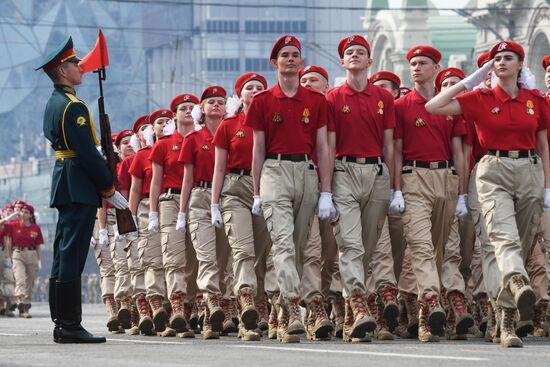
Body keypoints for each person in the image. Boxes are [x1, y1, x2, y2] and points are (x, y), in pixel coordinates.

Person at [425, 39, 550, 348]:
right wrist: (471, 80)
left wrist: (547, 186)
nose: (501, 63)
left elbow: (544, 144)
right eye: (497, 59)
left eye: (508, 58)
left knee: (519, 244)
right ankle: (517, 287)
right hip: (493, 170)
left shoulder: (535, 100)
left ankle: (505, 312)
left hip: (529, 170)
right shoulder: (480, 97)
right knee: (503, 238)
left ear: (520, 65)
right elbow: (434, 106)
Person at [245, 35, 335, 343]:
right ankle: (294, 308)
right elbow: (257, 150)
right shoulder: (261, 102)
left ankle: (280, 307)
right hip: (274, 170)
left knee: (297, 247)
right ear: (275, 63)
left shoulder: (317, 101)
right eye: (285, 55)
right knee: (283, 244)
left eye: (295, 54)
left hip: (306, 172)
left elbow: (323, 148)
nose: (291, 59)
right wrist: (257, 192)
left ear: (302, 61)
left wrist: (325, 191)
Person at [37, 36, 128, 343]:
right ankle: (69, 324)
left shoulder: (55, 103)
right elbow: (87, 154)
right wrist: (107, 186)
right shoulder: (73, 106)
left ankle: (61, 321)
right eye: (74, 64)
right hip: (79, 183)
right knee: (73, 254)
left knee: (65, 252)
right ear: (63, 71)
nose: (80, 68)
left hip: (67, 181)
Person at [389, 45, 467, 343]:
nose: (416, 68)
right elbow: (395, 150)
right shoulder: (401, 106)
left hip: (445, 177)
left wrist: (461, 193)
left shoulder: (451, 106)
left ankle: (424, 313)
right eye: (412, 64)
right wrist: (397, 188)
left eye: (423, 63)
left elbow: (459, 152)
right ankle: (432, 301)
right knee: (420, 246)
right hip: (414, 178)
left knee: (437, 249)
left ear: (437, 68)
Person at [326, 35, 395, 342]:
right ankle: (358, 303)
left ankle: (353, 314)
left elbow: (390, 144)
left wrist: (396, 187)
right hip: (344, 171)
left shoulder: (384, 97)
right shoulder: (332, 97)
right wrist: (326, 190)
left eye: (360, 52)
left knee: (365, 248)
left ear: (370, 62)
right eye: (348, 52)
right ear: (342, 62)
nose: (354, 55)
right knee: (350, 245)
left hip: (377, 172)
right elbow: (327, 146)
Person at [211, 73, 271, 341]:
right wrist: (214, 203)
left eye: (260, 87)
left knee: (262, 255)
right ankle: (246, 306)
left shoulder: (273, 123)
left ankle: (261, 309)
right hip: (235, 189)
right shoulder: (228, 125)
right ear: (240, 94)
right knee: (243, 250)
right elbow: (219, 168)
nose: (255, 91)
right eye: (249, 88)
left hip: (267, 188)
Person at [177, 86, 233, 339]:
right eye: (211, 102)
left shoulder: (233, 133)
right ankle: (210, 308)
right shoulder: (193, 139)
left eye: (221, 102)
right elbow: (187, 179)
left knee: (224, 259)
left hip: (228, 196)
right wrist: (181, 211)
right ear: (203, 109)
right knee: (206, 256)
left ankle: (218, 307)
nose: (216, 106)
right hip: (200, 198)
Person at [149, 93, 200, 337]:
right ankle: (177, 306)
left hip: (197, 199)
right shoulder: (163, 144)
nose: (188, 111)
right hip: (170, 200)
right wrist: (152, 213)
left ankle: (188, 312)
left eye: (192, 107)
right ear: (175, 115)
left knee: (195, 257)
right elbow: (155, 182)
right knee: (174, 256)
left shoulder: (204, 139)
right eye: (183, 108)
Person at [298, 65, 339, 340]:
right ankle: (315, 306)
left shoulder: (334, 108)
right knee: (311, 250)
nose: (308, 83)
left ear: (326, 86)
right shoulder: (297, 110)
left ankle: (335, 301)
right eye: (304, 80)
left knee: (334, 252)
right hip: (304, 183)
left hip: (339, 184)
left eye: (314, 80)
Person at [128, 109, 170, 335]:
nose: (164, 125)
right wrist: (131, 219)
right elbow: (134, 190)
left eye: (167, 121)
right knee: (152, 258)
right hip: (146, 207)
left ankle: (174, 309)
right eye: (159, 123)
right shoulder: (142, 155)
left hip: (172, 203)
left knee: (173, 260)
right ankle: (154, 307)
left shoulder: (179, 146)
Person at [11, 203, 44, 319]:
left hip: (32, 254)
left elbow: (39, 245)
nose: (23, 214)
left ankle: (25, 306)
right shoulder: (14, 225)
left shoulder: (36, 228)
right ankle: (19, 301)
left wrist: (39, 260)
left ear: (30, 215)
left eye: (26, 212)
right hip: (18, 253)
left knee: (30, 281)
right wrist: (12, 216)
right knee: (20, 279)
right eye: (22, 211)